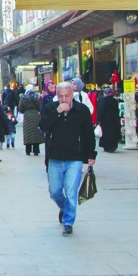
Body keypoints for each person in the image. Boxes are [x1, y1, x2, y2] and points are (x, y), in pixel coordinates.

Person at [40, 83, 96, 236]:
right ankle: (65, 208)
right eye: (61, 96)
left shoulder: (81, 110)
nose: (64, 99)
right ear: (56, 96)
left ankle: (68, 222)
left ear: (73, 95)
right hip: (55, 157)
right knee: (55, 191)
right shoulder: (51, 108)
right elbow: (43, 126)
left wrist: (91, 154)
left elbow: (88, 134)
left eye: (67, 96)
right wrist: (57, 112)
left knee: (71, 192)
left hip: (74, 157)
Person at [19, 86, 45, 156]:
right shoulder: (36, 97)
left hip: (27, 116)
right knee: (36, 133)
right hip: (35, 116)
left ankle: (28, 150)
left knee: (28, 133)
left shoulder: (23, 98)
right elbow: (40, 107)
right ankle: (36, 151)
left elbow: (20, 108)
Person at [96, 87, 122, 153]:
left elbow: (101, 110)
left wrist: (99, 120)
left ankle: (106, 147)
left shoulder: (103, 100)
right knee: (113, 133)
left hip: (105, 120)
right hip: (114, 120)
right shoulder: (115, 101)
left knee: (106, 134)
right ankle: (113, 146)